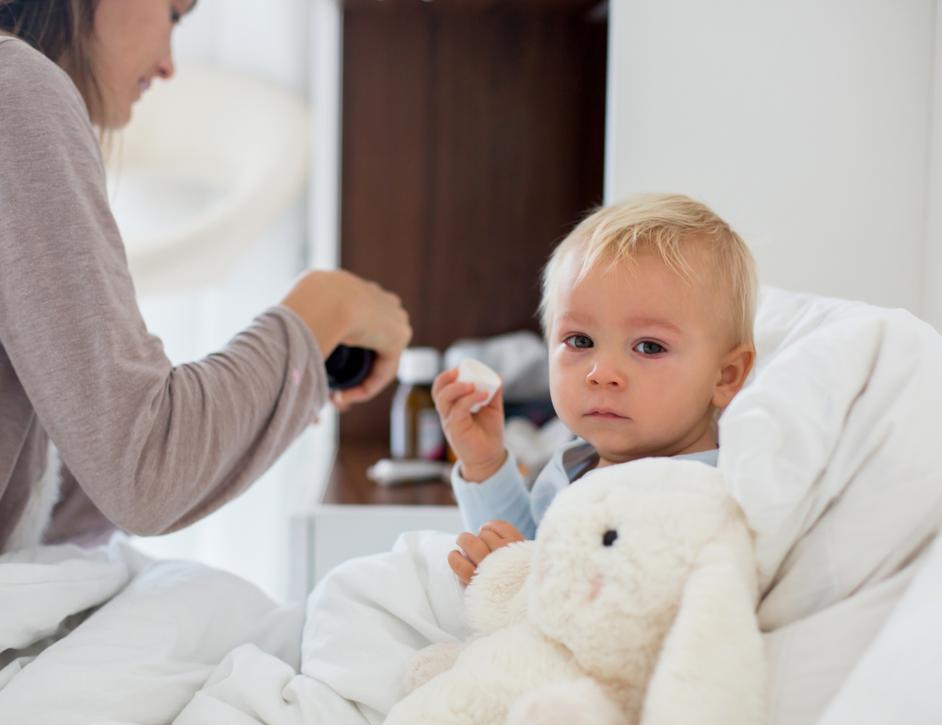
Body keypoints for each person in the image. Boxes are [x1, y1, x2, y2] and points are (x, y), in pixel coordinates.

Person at [0, 0, 411, 554]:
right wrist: (324, 310)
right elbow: (142, 472)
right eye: (173, 13)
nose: (169, 64)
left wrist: (264, 400)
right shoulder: (16, 90)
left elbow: (55, 498)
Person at [433, 193, 758, 584]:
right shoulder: (577, 462)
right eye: (580, 341)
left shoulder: (700, 498)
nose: (601, 373)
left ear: (725, 376)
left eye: (649, 347)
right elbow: (523, 546)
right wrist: (485, 464)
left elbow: (620, 613)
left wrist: (523, 581)